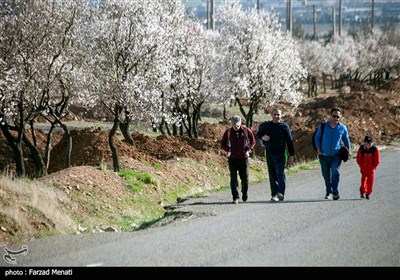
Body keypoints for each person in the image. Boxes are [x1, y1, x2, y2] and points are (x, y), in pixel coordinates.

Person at [256, 108, 294, 202]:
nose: (276, 116)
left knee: (280, 173)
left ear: (281, 115)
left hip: (281, 154)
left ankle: (280, 193)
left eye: (278, 114)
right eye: (274, 114)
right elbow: (258, 134)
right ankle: (274, 194)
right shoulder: (266, 125)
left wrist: (291, 154)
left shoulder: (285, 126)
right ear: (271, 115)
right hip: (269, 153)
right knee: (272, 175)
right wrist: (263, 137)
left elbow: (289, 141)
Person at [314, 108, 350, 200]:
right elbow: (317, 138)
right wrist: (318, 150)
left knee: (335, 172)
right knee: (326, 175)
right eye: (334, 116)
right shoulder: (323, 126)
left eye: (338, 116)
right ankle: (328, 191)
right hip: (323, 155)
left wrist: (347, 152)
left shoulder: (342, 128)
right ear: (330, 116)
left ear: (340, 117)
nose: (336, 118)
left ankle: (335, 192)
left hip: (336, 155)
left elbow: (346, 141)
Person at [221, 115, 256, 204]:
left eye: (237, 125)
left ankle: (244, 192)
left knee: (245, 178)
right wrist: (228, 150)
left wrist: (249, 150)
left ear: (240, 123)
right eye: (234, 125)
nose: (236, 127)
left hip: (244, 158)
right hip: (232, 158)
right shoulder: (228, 132)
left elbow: (253, 141)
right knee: (233, 178)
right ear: (231, 124)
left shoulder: (246, 131)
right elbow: (223, 144)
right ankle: (235, 197)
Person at [356, 135, 380, 200]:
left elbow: (377, 160)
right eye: (366, 143)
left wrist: (374, 166)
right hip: (363, 168)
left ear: (372, 143)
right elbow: (358, 158)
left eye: (370, 143)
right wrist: (361, 165)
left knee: (370, 182)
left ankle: (368, 193)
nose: (368, 145)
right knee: (363, 181)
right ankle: (362, 192)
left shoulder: (374, 149)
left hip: (371, 169)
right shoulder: (361, 149)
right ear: (364, 143)